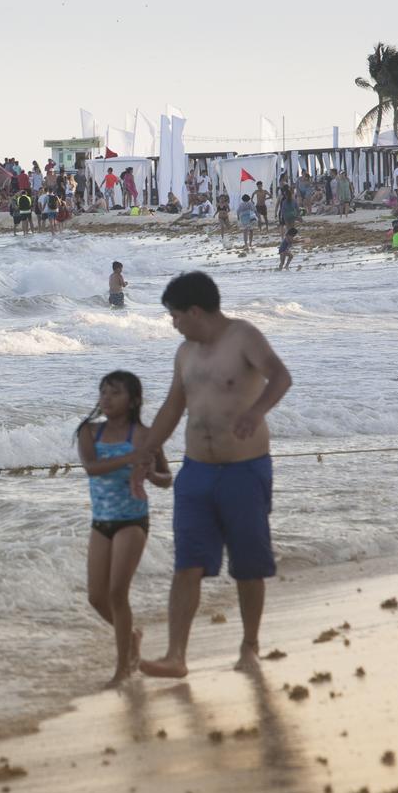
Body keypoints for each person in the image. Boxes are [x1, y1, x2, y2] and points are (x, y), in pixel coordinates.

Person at [129, 272, 292, 678]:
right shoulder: (185, 352)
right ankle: (175, 655)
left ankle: (250, 645)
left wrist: (256, 412)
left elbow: (281, 376)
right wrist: (145, 452)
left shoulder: (244, 337)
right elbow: (172, 407)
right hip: (196, 471)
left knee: (248, 564)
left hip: (244, 470)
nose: (173, 323)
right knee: (188, 563)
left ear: (195, 311)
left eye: (175, 315)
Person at [77, 371, 173, 686]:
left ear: (132, 400)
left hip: (132, 520)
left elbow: (165, 478)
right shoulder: (89, 433)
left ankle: (123, 668)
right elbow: (92, 469)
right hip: (101, 521)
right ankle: (131, 637)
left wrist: (148, 474)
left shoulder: (145, 436)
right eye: (103, 392)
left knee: (118, 592)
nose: (106, 399)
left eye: (115, 393)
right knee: (95, 596)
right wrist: (131, 460)